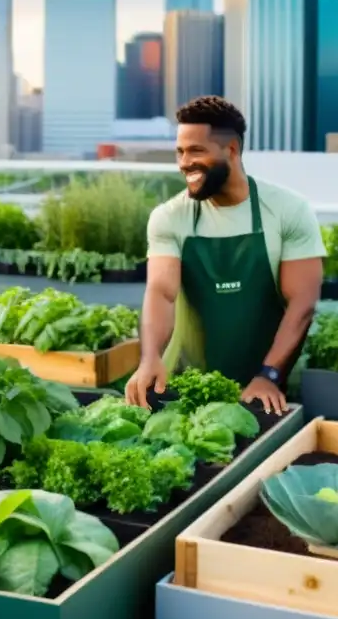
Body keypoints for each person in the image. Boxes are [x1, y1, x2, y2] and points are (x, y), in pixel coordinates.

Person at [125, 96, 326, 415]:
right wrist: (150, 357)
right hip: (189, 384)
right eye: (180, 151)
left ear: (231, 150)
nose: (184, 162)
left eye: (196, 151)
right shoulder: (170, 217)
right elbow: (161, 292)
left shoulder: (288, 210)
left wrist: (269, 374)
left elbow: (302, 304)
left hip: (271, 386)